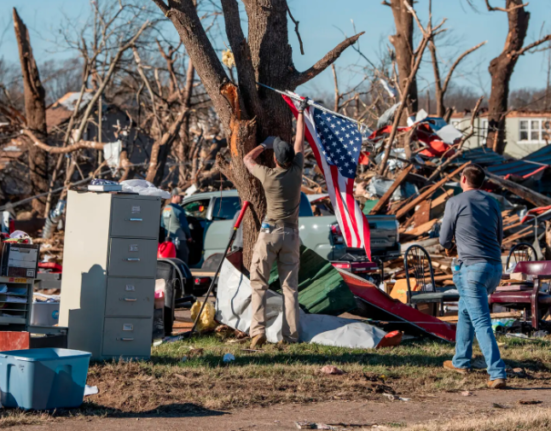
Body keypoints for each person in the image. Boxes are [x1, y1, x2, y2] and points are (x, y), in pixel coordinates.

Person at [243, 99, 308, 348]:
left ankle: (257, 332)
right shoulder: (297, 171)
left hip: (269, 233)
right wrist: (300, 113)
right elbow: (300, 142)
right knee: (289, 288)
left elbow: (248, 160)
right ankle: (291, 336)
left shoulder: (268, 176)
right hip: (291, 235)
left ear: (277, 160)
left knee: (258, 282)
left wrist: (263, 145)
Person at [439, 164, 507, 389]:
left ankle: (497, 373)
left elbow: (443, 238)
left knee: (481, 321)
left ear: (463, 179)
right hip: (494, 268)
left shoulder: (455, 202)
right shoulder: (493, 202)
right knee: (466, 312)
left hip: (472, 269)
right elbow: (499, 237)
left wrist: (450, 245)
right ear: (483, 182)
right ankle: (461, 361)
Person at [161, 188, 192, 265]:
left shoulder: (165, 208)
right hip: (179, 239)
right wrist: (189, 236)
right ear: (174, 196)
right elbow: (184, 225)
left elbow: (162, 225)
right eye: (181, 196)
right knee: (182, 261)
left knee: (171, 261)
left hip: (168, 240)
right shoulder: (179, 209)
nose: (182, 198)